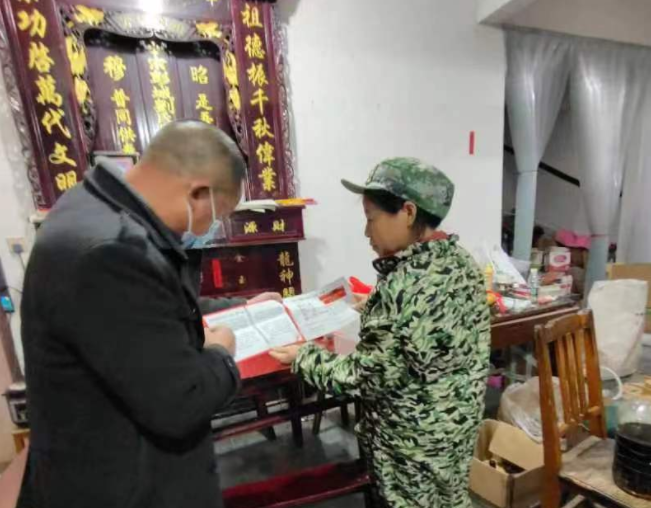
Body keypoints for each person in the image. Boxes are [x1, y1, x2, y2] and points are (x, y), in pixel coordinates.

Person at [19, 121, 278, 508]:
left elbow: (156, 312)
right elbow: (181, 403)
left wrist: (242, 308)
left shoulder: (94, 208)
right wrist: (221, 354)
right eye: (217, 215)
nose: (212, 228)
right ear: (197, 194)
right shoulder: (111, 252)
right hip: (121, 487)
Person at [271, 158, 491, 508]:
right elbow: (429, 327)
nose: (366, 232)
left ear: (408, 212)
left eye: (371, 218)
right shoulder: (459, 262)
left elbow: (363, 378)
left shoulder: (403, 287)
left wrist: (305, 356)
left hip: (411, 448)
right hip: (454, 428)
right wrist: (376, 303)